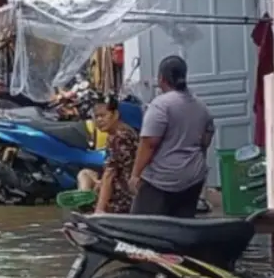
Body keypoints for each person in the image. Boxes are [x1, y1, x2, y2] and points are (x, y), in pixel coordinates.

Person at [129, 56, 215, 217]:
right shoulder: (201, 106)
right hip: (193, 178)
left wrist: (135, 174)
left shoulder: (160, 105)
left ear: (161, 78)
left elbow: (149, 143)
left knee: (144, 229)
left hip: (161, 180)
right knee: (181, 228)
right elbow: (206, 141)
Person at [75, 96, 139, 214]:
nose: (99, 120)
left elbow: (110, 174)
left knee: (92, 179)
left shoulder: (120, 136)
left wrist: (99, 210)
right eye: (96, 117)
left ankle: (89, 205)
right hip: (123, 188)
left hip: (123, 198)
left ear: (115, 114)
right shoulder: (120, 132)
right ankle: (86, 200)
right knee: (85, 174)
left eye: (103, 116)